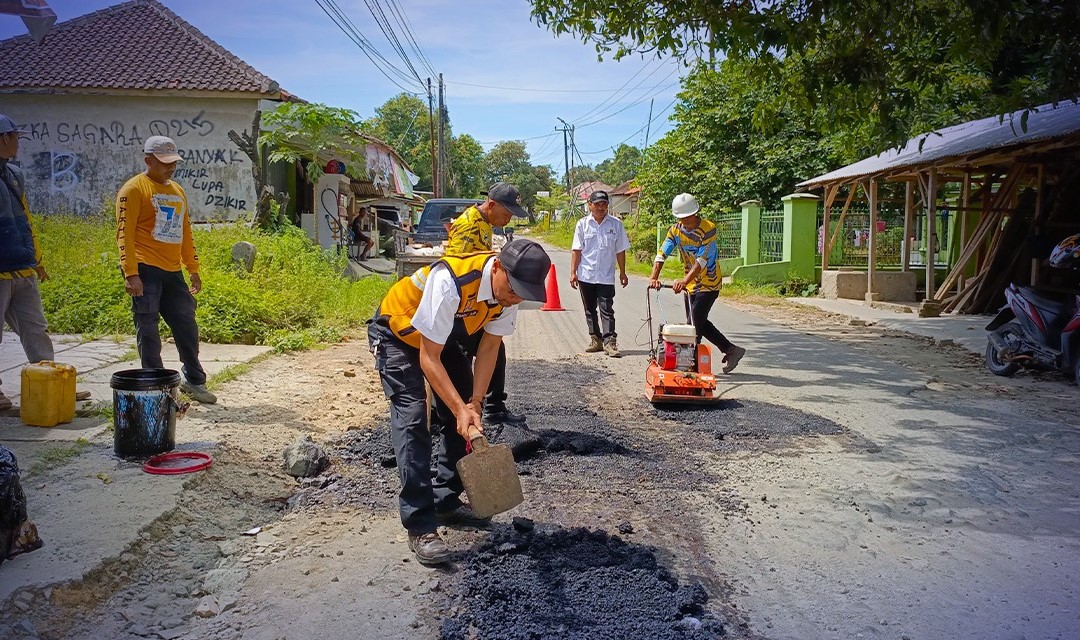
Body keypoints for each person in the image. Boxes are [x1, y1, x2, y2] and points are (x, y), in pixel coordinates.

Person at [368, 239, 551, 565]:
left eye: (523, 294)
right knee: (412, 417)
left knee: (465, 407)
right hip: (398, 331)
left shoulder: (508, 295)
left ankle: (445, 499)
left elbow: (490, 347)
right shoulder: (450, 281)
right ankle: (420, 525)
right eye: (513, 290)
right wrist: (458, 408)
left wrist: (475, 403)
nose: (515, 298)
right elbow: (428, 357)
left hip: (439, 337)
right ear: (497, 266)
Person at [0, 114, 92, 410]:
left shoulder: (13, 174)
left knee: (35, 327)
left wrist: (37, 259)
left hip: (22, 267)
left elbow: (25, 220)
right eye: (15, 137)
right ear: (4, 138)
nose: (18, 143)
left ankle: (53, 382)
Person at [116, 135, 216, 404]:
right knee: (148, 331)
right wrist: (131, 273)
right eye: (164, 163)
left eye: (173, 162)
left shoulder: (178, 191)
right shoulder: (133, 190)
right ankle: (156, 388)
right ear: (148, 159)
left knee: (186, 325)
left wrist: (192, 268)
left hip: (173, 272)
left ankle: (194, 381)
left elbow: (185, 232)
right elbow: (124, 235)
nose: (170, 168)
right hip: (145, 268)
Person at [444, 182, 531, 426]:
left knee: (495, 348)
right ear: (491, 205)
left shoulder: (485, 222)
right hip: (465, 305)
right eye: (506, 214)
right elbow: (455, 268)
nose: (508, 219)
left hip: (479, 299)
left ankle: (490, 405)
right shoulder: (467, 225)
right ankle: (458, 410)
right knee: (465, 354)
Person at [649, 193, 746, 373]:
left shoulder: (708, 229)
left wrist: (684, 281)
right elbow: (662, 253)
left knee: (693, 326)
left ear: (695, 213)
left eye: (687, 217)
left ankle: (690, 366)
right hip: (691, 285)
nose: (684, 221)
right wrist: (654, 277)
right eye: (680, 217)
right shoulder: (675, 230)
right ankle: (731, 350)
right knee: (697, 321)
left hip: (709, 283)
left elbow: (701, 261)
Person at [570, 190, 631, 357]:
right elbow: (577, 250)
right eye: (597, 204)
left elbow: (620, 250)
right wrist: (573, 272)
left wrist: (623, 273)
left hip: (606, 276)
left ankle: (610, 342)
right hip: (586, 275)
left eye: (604, 204)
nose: (601, 207)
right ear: (590, 205)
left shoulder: (616, 224)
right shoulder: (582, 224)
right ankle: (595, 339)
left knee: (606, 308)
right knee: (589, 309)